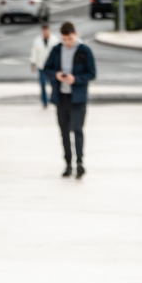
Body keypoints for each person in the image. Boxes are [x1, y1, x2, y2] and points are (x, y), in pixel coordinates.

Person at [42, 22, 97, 179]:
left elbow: (92, 73)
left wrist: (76, 79)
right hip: (61, 97)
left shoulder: (84, 50)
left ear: (76, 34)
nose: (67, 42)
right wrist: (56, 75)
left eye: (70, 39)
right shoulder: (57, 50)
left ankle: (80, 163)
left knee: (78, 130)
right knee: (64, 132)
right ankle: (68, 164)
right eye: (64, 39)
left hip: (78, 98)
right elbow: (46, 69)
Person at [29, 23, 57, 109]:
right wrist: (33, 63)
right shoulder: (37, 40)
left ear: (49, 30)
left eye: (46, 31)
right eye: (44, 31)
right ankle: (45, 101)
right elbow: (34, 52)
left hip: (52, 66)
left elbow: (57, 53)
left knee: (53, 84)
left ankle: (54, 99)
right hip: (41, 66)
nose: (45, 32)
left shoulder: (54, 40)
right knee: (42, 84)